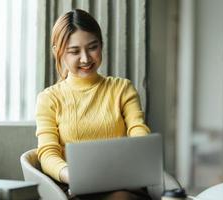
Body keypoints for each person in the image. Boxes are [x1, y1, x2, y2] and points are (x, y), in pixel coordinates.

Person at [35, 9, 151, 200]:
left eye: (92, 47)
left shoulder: (122, 89)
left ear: (101, 45)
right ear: (58, 52)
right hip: (73, 188)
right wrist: (72, 175)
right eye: (74, 51)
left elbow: (139, 133)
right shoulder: (49, 99)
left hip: (124, 186)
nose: (86, 59)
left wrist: (137, 161)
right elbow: (47, 153)